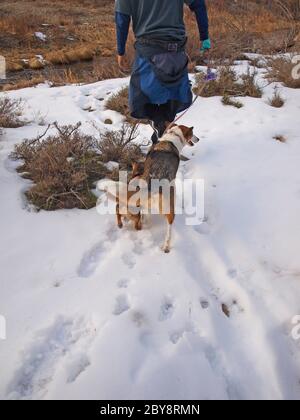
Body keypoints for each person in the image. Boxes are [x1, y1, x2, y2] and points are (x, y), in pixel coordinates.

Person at [115, 0, 210, 143]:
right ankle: (163, 130)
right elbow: (199, 4)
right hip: (176, 51)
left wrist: (121, 51)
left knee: (142, 97)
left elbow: (122, 18)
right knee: (173, 94)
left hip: (148, 50)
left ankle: (161, 129)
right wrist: (205, 37)